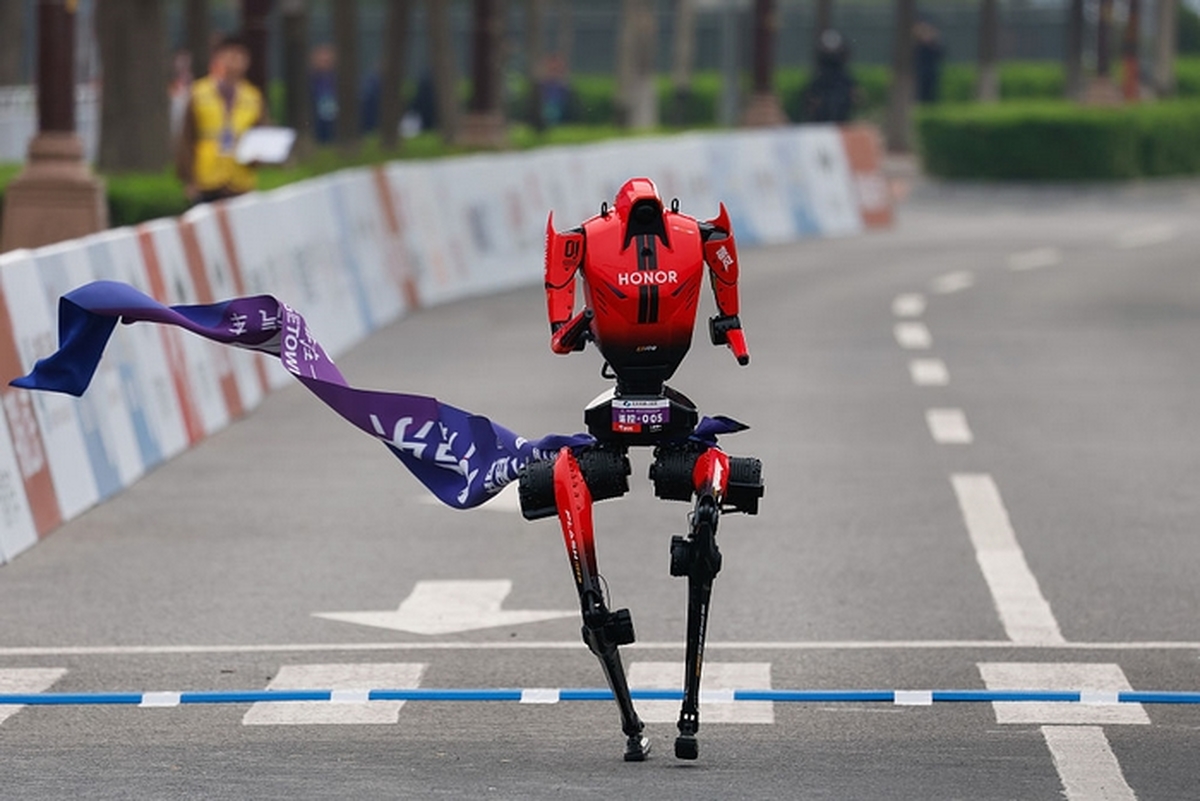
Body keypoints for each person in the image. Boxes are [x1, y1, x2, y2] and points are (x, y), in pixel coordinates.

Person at [175, 34, 266, 205]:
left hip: (240, 179)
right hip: (206, 179)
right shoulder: (199, 92)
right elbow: (187, 138)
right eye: (230, 56)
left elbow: (261, 134)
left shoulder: (253, 97)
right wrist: (188, 179)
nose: (234, 62)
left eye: (240, 57)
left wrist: (259, 158)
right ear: (218, 59)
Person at [800, 29, 857, 123]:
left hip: (841, 117)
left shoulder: (844, 80)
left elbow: (854, 96)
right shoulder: (819, 81)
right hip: (820, 121)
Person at [308, 44, 338, 143]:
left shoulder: (336, 78)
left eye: (327, 60)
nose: (324, 63)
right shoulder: (311, 79)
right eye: (322, 59)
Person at [914, 19, 944, 104]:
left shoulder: (933, 45)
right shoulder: (917, 45)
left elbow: (940, 56)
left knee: (931, 94)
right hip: (918, 73)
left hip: (931, 73)